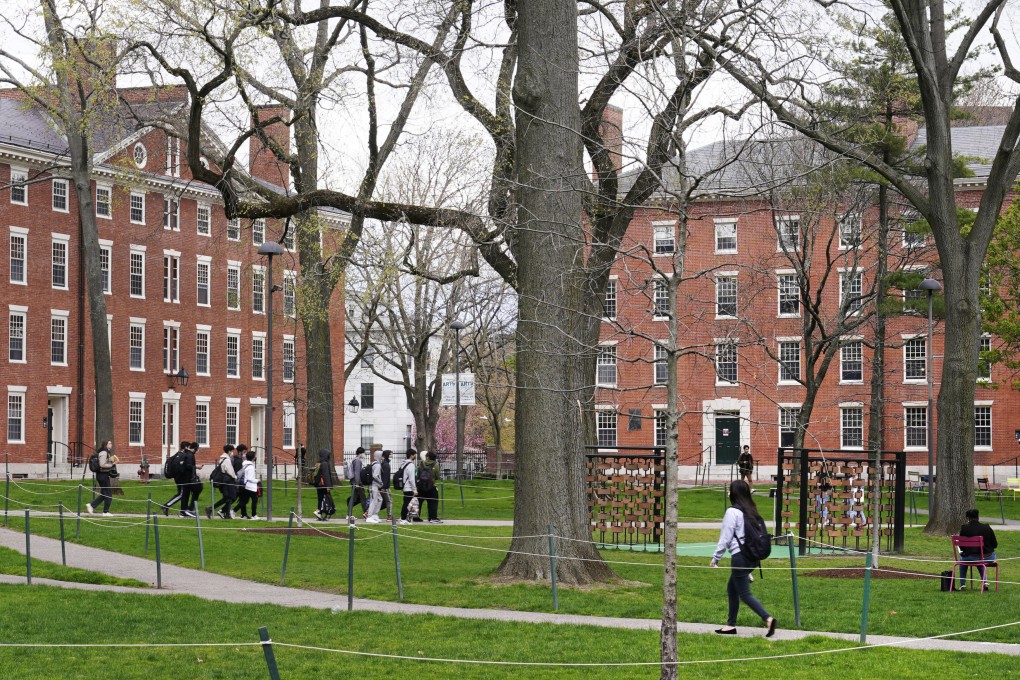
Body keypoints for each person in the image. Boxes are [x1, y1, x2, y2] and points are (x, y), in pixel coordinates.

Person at [710, 480, 777, 637]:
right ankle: (730, 625)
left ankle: (768, 619)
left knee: (744, 593)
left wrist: (715, 558)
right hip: (753, 558)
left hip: (740, 557)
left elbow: (725, 538)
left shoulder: (732, 512)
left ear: (733, 494)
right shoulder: (752, 511)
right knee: (732, 588)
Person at [958, 508, 998, 591]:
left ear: (968, 518)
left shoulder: (964, 528)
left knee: (962, 560)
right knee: (980, 560)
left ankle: (962, 584)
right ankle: (985, 582)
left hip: (972, 557)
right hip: (988, 557)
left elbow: (961, 547)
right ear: (978, 517)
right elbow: (995, 544)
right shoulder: (987, 527)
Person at [162, 441, 196, 517]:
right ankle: (166, 506)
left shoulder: (177, 454)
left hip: (177, 478)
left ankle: (183, 511)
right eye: (188, 447)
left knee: (181, 494)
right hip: (181, 479)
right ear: (186, 447)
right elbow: (184, 467)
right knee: (181, 494)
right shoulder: (183, 455)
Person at [85, 441, 116, 515]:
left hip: (103, 475)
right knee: (108, 494)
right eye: (109, 443)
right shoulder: (104, 453)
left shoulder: (105, 452)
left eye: (111, 443)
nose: (111, 444)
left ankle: (92, 505)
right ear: (106, 445)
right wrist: (111, 465)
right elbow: (102, 464)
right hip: (102, 475)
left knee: (104, 493)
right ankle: (106, 512)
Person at [212, 445, 238, 519]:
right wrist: (235, 477)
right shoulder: (226, 460)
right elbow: (230, 471)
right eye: (232, 451)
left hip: (224, 480)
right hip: (228, 480)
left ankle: (224, 512)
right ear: (229, 451)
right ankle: (223, 512)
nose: (232, 452)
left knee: (227, 498)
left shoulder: (223, 458)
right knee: (231, 497)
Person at [417, 450, 442, 523]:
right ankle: (432, 517)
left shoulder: (421, 464)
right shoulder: (435, 465)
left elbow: (418, 474)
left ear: (427, 457)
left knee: (419, 502)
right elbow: (437, 476)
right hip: (431, 486)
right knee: (433, 502)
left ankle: (416, 517)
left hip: (421, 485)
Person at [312, 448, 336, 521]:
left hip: (319, 484)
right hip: (324, 485)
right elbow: (326, 476)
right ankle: (325, 512)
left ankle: (319, 512)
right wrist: (328, 486)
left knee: (320, 499)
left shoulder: (319, 463)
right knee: (328, 499)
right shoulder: (325, 464)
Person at [236, 450, 260, 519]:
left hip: (246, 486)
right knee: (254, 500)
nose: (255, 457)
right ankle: (254, 515)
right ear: (253, 458)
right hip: (251, 486)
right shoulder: (251, 467)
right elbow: (250, 478)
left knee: (244, 501)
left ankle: (236, 511)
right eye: (255, 456)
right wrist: (257, 480)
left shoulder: (245, 464)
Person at [397, 450, 418, 524]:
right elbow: (411, 479)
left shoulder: (403, 463)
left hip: (404, 486)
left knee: (406, 502)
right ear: (411, 455)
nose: (415, 456)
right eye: (415, 455)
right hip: (409, 487)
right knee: (407, 503)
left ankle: (404, 517)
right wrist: (414, 489)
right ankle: (403, 519)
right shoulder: (411, 465)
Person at [346, 447, 368, 521]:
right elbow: (357, 473)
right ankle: (366, 513)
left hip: (354, 482)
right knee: (362, 498)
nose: (364, 454)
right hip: (357, 482)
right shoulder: (358, 461)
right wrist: (357, 483)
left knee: (354, 498)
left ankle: (349, 514)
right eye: (364, 453)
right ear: (360, 453)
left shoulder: (354, 460)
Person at [366, 451, 385, 523]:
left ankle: (374, 514)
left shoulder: (373, 463)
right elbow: (375, 475)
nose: (382, 457)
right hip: (374, 485)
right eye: (381, 456)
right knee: (373, 500)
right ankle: (369, 516)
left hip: (374, 485)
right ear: (379, 456)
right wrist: (381, 482)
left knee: (380, 499)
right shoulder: (377, 465)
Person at [379, 450, 393, 520]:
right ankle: (389, 515)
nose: (391, 456)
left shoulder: (383, 464)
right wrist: (384, 487)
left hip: (383, 486)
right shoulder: (386, 465)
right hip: (385, 487)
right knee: (389, 501)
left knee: (380, 501)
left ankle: (367, 512)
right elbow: (385, 477)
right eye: (390, 454)